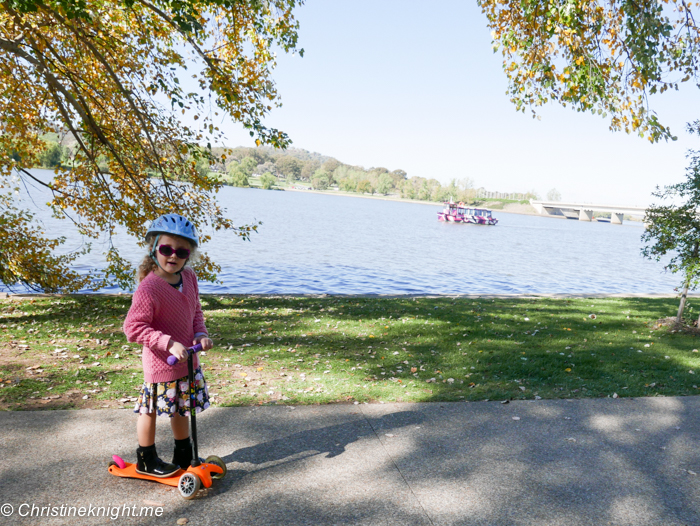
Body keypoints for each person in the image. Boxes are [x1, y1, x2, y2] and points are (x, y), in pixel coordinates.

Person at [123, 213, 214, 477]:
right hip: (161, 362)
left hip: (186, 360)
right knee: (149, 410)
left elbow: (195, 310)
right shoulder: (149, 288)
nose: (173, 256)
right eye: (166, 249)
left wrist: (200, 334)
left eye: (181, 251)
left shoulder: (190, 278)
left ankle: (183, 455)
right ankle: (146, 458)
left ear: (189, 255)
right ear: (154, 249)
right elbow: (133, 328)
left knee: (181, 408)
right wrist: (168, 342)